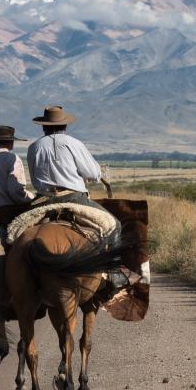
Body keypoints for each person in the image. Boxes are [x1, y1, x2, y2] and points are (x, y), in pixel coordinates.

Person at [27, 105, 125, 297]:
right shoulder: (73, 143)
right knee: (114, 225)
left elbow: (34, 177)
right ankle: (114, 275)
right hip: (74, 198)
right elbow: (93, 173)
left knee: (13, 231)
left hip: (43, 201)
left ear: (43, 127)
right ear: (65, 125)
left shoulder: (34, 147)